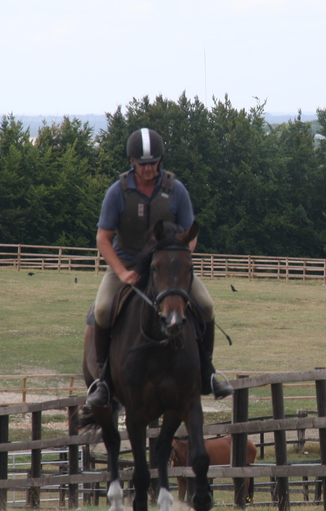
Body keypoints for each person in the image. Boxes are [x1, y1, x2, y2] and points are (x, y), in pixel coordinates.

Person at [86, 127, 232, 406]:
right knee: (102, 309)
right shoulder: (117, 192)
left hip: (167, 267)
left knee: (206, 305)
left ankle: (208, 372)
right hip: (127, 263)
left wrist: (178, 260)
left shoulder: (176, 190)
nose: (149, 168)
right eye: (143, 164)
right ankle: (103, 381)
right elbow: (103, 238)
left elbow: (190, 233)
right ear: (131, 162)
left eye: (153, 163)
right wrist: (121, 272)